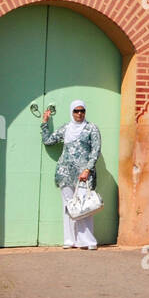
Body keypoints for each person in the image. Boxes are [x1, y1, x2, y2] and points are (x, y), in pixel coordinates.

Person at [41, 99, 102, 250]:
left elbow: (96, 150)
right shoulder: (66, 128)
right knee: (69, 207)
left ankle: (87, 241)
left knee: (84, 207)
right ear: (72, 112)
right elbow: (48, 141)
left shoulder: (91, 128)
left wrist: (87, 169)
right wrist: (45, 122)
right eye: (76, 111)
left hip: (84, 174)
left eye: (82, 111)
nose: (79, 113)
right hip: (65, 173)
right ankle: (70, 240)